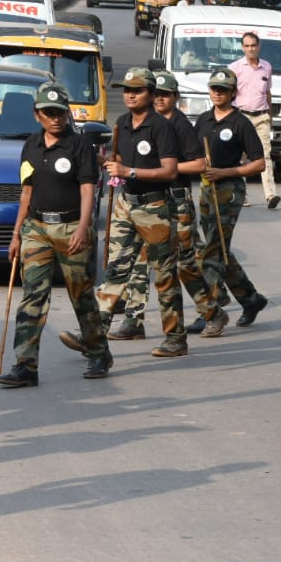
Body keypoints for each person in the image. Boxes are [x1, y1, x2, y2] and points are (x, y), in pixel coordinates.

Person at [0, 83, 111, 386]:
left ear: (67, 114)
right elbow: (26, 191)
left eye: (59, 112)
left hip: (71, 228)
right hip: (37, 229)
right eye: (48, 113)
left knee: (81, 296)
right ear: (37, 115)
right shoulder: (31, 145)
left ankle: (99, 353)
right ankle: (25, 366)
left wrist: (84, 227)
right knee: (33, 297)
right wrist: (16, 234)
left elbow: (88, 190)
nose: (55, 118)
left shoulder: (80, 146)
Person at [113, 71, 227, 341]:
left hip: (176, 201)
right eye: (159, 95)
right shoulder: (137, 123)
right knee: (139, 261)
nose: (161, 100)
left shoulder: (178, 125)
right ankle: (133, 319)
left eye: (165, 95)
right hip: (147, 202)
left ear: (175, 97)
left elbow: (199, 164)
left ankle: (212, 312)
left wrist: (163, 167)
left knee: (183, 263)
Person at [91, 67, 187, 358]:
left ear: (151, 93)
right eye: (127, 90)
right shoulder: (122, 122)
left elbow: (170, 171)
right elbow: (119, 158)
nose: (130, 95)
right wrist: (104, 161)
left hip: (154, 207)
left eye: (137, 90)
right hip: (126, 204)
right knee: (116, 269)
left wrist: (129, 171)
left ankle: (176, 338)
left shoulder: (161, 126)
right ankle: (94, 335)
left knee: (164, 275)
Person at [194, 68, 270, 328]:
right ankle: (250, 298)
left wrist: (225, 172)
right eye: (214, 88)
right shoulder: (203, 120)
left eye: (223, 89)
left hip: (229, 189)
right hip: (207, 188)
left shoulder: (240, 123)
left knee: (213, 249)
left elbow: (259, 163)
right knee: (219, 248)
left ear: (233, 92)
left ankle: (211, 309)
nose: (217, 93)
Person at [229, 32, 280, 209]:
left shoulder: (266, 67)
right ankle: (241, 195)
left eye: (253, 45)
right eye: (247, 46)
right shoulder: (234, 68)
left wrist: (270, 117)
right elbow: (228, 93)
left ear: (259, 47)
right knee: (240, 156)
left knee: (265, 155)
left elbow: (268, 93)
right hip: (241, 116)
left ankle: (270, 195)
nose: (250, 49)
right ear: (242, 47)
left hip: (261, 116)